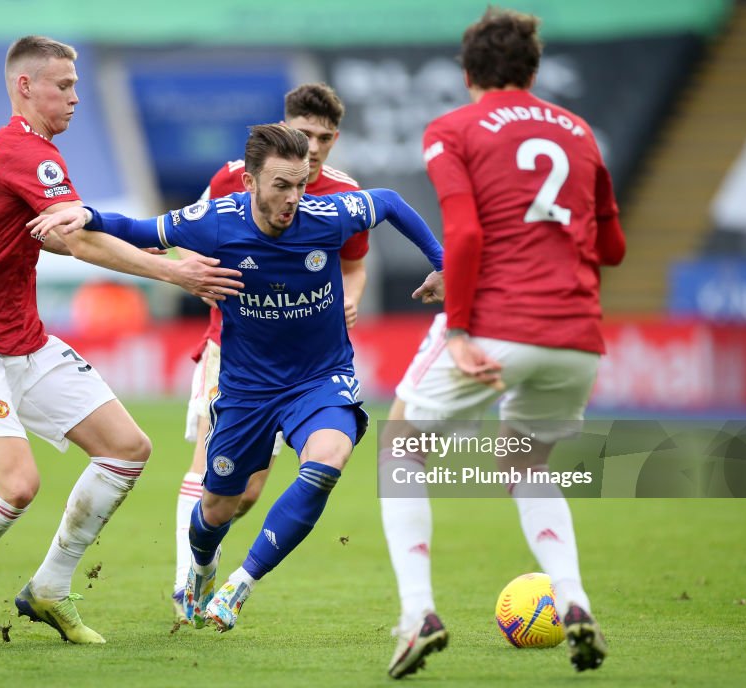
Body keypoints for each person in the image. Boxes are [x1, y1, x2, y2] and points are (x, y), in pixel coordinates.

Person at [28, 123, 444, 633]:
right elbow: (140, 230)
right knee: (220, 506)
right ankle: (203, 565)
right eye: (281, 186)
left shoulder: (330, 215)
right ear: (249, 182)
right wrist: (88, 214)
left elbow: (393, 202)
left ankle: (240, 584)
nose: (294, 198)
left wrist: (443, 264)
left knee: (327, 462)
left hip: (320, 378)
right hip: (247, 390)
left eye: (300, 184)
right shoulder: (214, 222)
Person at [0, 35, 243, 648]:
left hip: (22, 339)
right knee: (17, 486)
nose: (75, 97)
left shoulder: (21, 154)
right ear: (25, 87)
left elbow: (70, 234)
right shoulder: (27, 153)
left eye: (76, 84)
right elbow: (82, 240)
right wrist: (175, 270)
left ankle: (49, 590)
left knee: (127, 448)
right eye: (63, 86)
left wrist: (152, 250)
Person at [379, 8, 626, 678]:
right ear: (533, 71)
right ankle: (572, 598)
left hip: (496, 324)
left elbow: (464, 235)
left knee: (401, 446)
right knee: (525, 465)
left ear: (467, 75)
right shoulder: (579, 132)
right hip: (576, 335)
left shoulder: (452, 128)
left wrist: (458, 328)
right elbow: (612, 247)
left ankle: (417, 614)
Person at [170, 83, 370, 613]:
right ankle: (186, 581)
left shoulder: (344, 192)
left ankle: (210, 560)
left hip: (303, 359)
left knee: (249, 493)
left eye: (325, 137)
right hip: (231, 344)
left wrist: (349, 299)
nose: (317, 145)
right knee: (208, 467)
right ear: (284, 129)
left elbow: (354, 264)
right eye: (305, 134)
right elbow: (197, 235)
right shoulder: (232, 177)